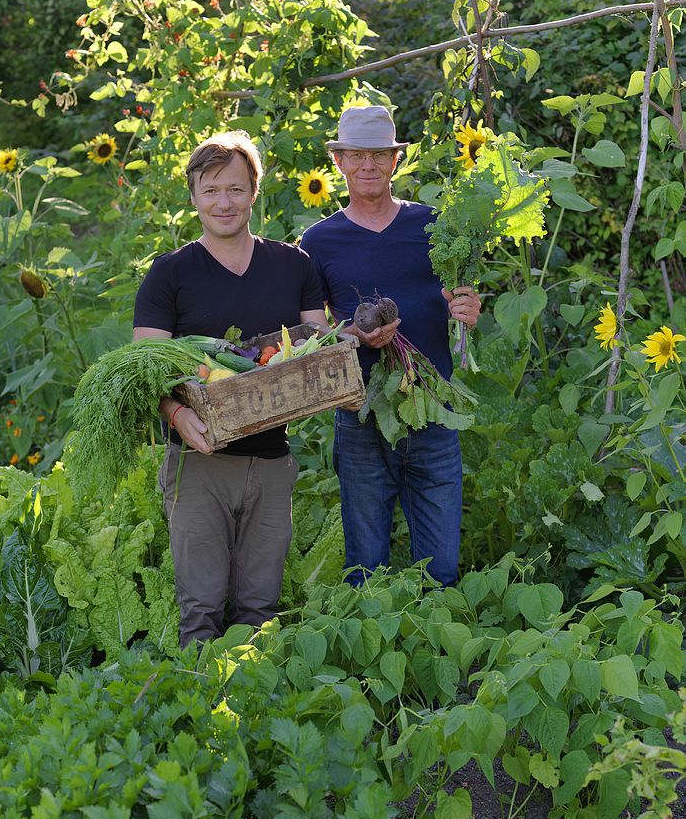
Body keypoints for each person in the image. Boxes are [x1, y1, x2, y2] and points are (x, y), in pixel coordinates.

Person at [133, 131, 328, 646]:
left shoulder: (293, 265)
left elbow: (315, 344)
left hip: (271, 462)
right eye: (212, 189)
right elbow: (143, 372)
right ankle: (197, 711)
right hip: (199, 462)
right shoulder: (169, 275)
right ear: (194, 197)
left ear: (254, 194)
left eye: (236, 189)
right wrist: (178, 416)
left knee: (260, 608)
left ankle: (250, 707)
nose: (225, 202)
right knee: (199, 610)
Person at [301, 105, 481, 587]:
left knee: (441, 566)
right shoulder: (318, 241)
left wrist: (468, 308)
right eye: (356, 155)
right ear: (338, 161)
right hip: (361, 413)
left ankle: (438, 646)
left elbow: (458, 291)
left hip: (433, 405)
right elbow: (311, 333)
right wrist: (352, 335)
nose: (367, 166)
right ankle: (370, 657)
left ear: (395, 161)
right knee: (365, 564)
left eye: (378, 155)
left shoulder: (433, 226)